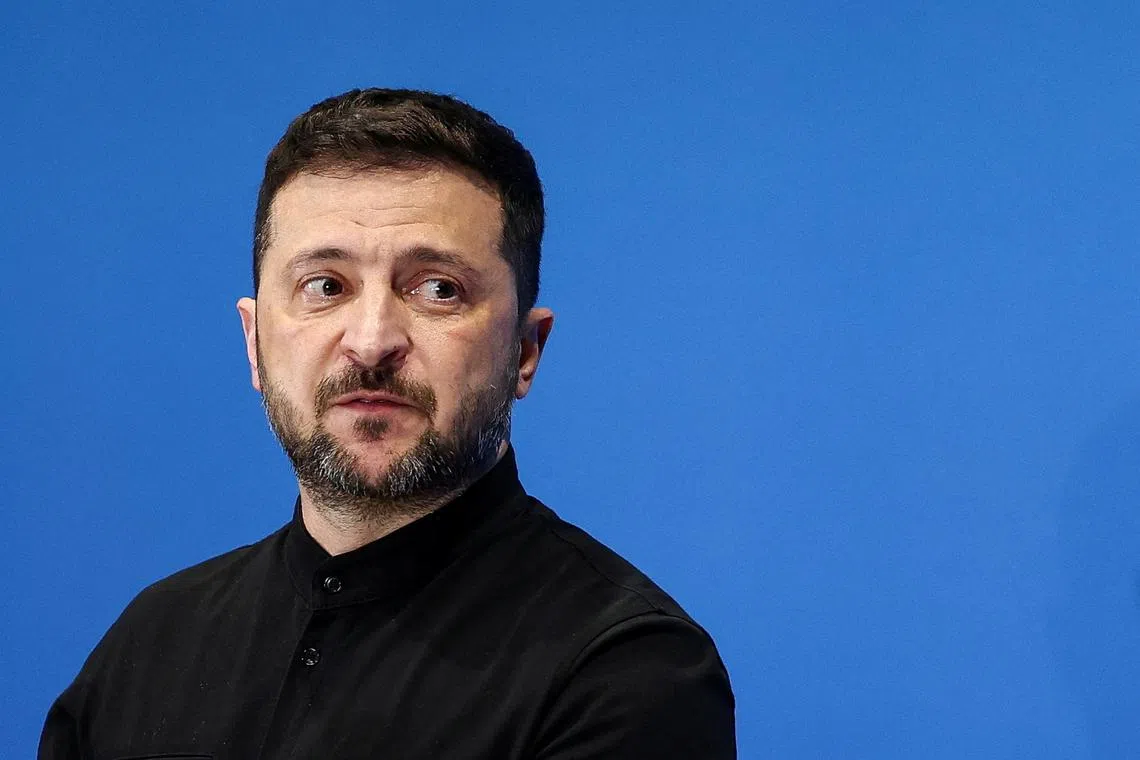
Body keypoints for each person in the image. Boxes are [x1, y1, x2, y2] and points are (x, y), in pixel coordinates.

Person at [39, 88, 736, 759]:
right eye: (326, 287)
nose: (371, 341)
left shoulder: (624, 673)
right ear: (254, 344)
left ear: (525, 352)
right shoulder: (151, 644)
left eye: (438, 289)